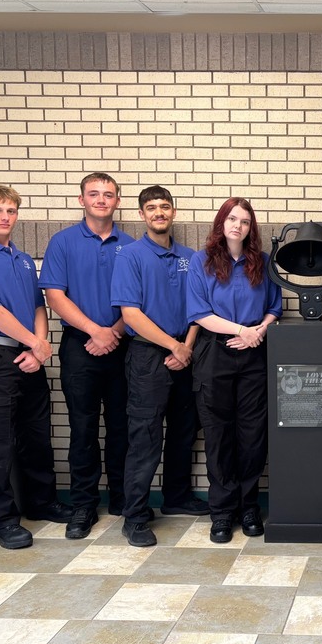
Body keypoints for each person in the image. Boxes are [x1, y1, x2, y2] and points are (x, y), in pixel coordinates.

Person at [0, 185, 73, 550]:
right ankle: (3, 520)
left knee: (36, 437)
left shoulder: (22, 260)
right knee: (0, 444)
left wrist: (38, 349)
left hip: (29, 359)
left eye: (11, 210)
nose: (5, 217)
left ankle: (40, 503)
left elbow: (38, 306)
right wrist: (36, 343)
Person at [111, 185, 208, 547]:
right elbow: (130, 313)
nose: (158, 213)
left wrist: (187, 348)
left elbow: (201, 307)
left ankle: (177, 497)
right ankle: (134, 515)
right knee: (145, 437)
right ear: (142, 215)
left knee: (185, 430)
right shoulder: (131, 256)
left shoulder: (191, 257)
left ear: (173, 212)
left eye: (164, 206)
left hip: (187, 352)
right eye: (151, 208)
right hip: (148, 357)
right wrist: (173, 346)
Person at [40, 173, 135, 540]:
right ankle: (83, 504)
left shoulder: (130, 246)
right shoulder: (63, 242)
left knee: (121, 427)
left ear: (117, 201)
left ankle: (122, 498)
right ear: (82, 200)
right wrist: (96, 332)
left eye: (108, 194)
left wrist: (114, 332)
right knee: (82, 428)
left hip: (122, 345)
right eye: (94, 194)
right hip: (79, 347)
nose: (101, 199)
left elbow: (136, 300)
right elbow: (55, 295)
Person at [187, 198, 282, 544]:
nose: (237, 226)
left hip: (255, 354)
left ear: (250, 228)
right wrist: (241, 331)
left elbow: (274, 307)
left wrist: (257, 332)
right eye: (231, 219)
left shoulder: (262, 262)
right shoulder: (202, 261)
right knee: (219, 436)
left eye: (244, 221)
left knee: (253, 435)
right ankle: (223, 513)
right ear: (221, 223)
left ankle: (249, 507)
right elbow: (199, 312)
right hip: (216, 353)